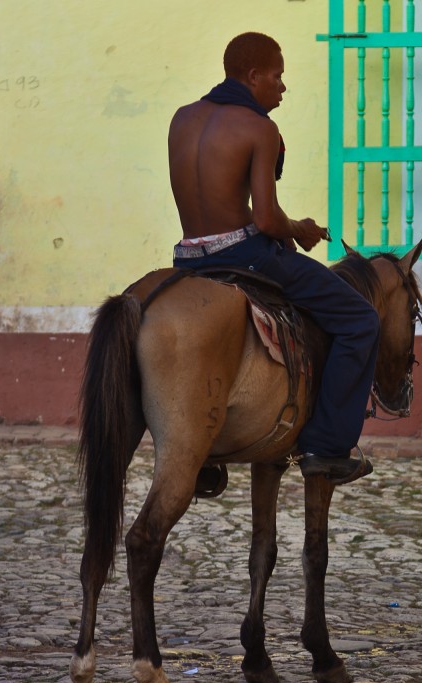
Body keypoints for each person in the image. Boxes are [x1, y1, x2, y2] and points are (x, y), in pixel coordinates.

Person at [168, 32, 379, 485]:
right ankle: (327, 446)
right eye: (278, 77)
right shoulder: (260, 128)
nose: (282, 87)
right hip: (246, 256)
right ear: (253, 76)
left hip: (187, 257)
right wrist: (299, 229)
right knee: (360, 320)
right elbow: (265, 220)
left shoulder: (182, 118)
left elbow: (217, 202)